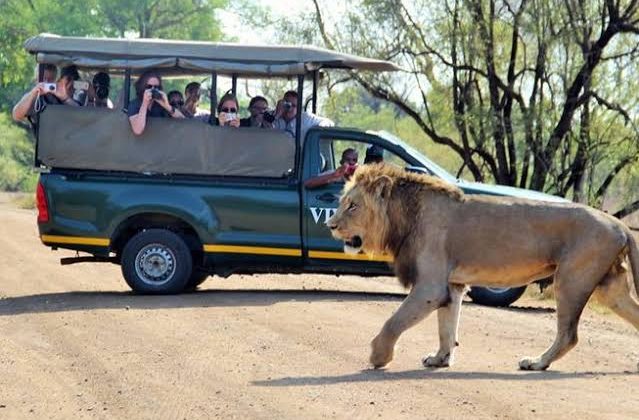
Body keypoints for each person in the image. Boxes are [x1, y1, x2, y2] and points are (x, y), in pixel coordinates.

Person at [12, 65, 81, 123]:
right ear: (36, 79)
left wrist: (65, 98)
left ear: (55, 80)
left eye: (50, 79)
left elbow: (80, 116)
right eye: (44, 79)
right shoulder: (32, 97)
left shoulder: (61, 95)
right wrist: (33, 93)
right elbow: (16, 115)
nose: (46, 82)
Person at [127, 70, 184, 136]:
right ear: (142, 87)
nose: (153, 90)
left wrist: (166, 106)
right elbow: (137, 130)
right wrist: (145, 103)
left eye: (156, 87)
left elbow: (182, 120)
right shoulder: (135, 104)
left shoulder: (160, 105)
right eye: (149, 87)